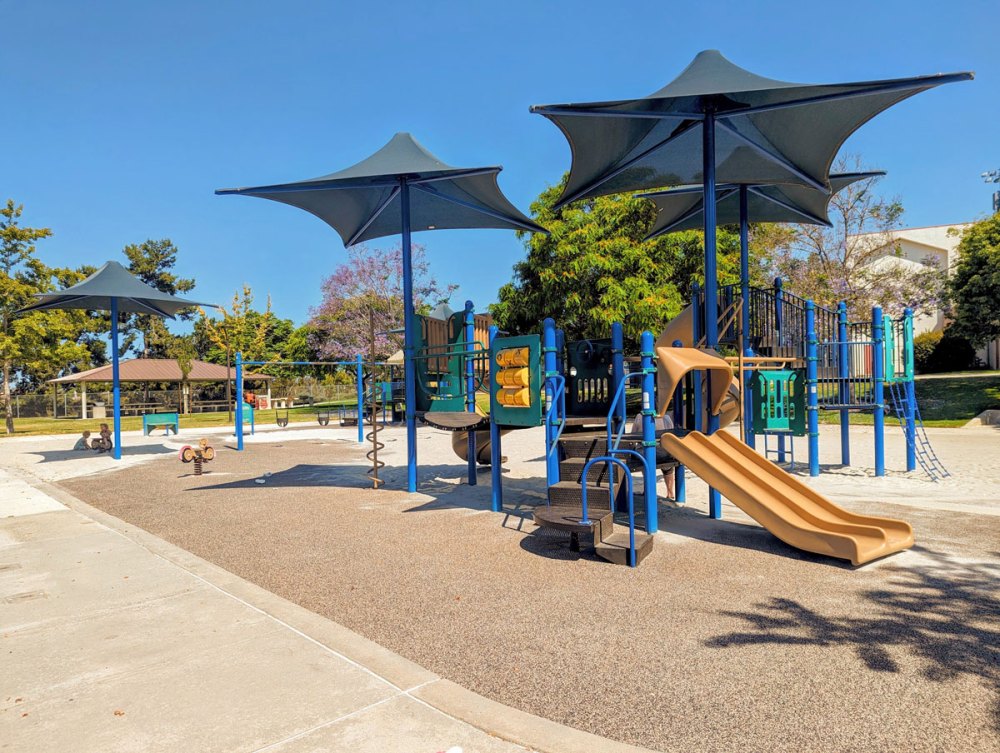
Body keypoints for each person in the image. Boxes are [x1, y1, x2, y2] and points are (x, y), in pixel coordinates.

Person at [631, 411, 676, 500]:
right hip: (663, 452)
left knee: (644, 462)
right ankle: (670, 492)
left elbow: (633, 434)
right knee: (668, 468)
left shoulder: (640, 417)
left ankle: (648, 490)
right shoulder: (666, 417)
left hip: (645, 453)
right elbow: (671, 435)